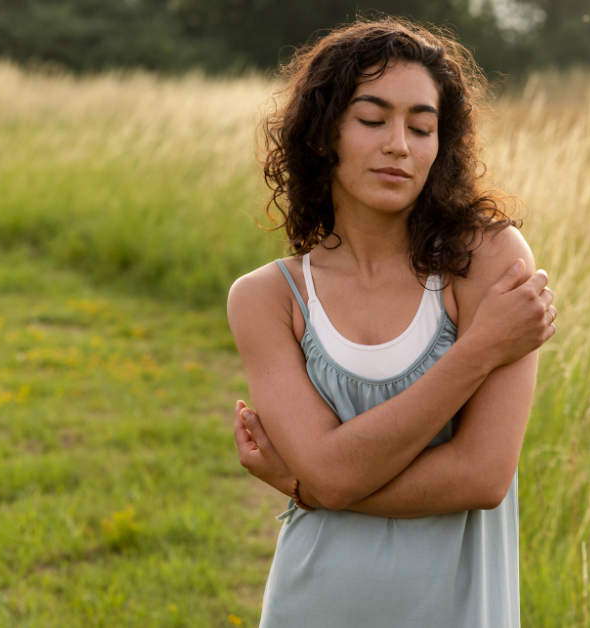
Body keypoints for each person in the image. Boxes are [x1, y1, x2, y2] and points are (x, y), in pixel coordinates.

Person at [224, 18, 556, 628]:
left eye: (421, 126)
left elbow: (481, 477)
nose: (399, 144)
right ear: (324, 136)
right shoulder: (268, 298)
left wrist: (311, 484)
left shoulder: (487, 261)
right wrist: (478, 351)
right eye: (372, 120)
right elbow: (329, 473)